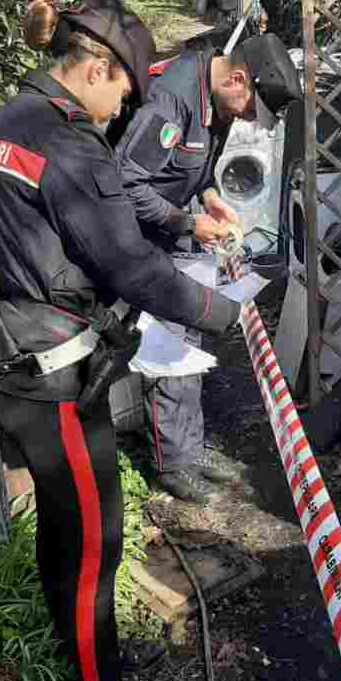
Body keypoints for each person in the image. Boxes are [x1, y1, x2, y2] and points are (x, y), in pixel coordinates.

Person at [0, 0, 240, 681]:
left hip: (24, 355)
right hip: (53, 374)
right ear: (96, 66)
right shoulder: (67, 142)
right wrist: (226, 315)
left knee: (65, 526)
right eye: (125, 86)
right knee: (96, 536)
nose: (126, 102)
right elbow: (132, 269)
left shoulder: (11, 121)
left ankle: (83, 652)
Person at [115, 32, 303, 505]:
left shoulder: (212, 98)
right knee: (167, 343)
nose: (242, 117)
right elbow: (123, 183)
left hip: (177, 230)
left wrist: (212, 199)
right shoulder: (171, 103)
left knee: (190, 339)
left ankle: (190, 447)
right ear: (237, 78)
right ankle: (172, 462)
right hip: (144, 236)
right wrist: (186, 222)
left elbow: (195, 173)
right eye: (247, 108)